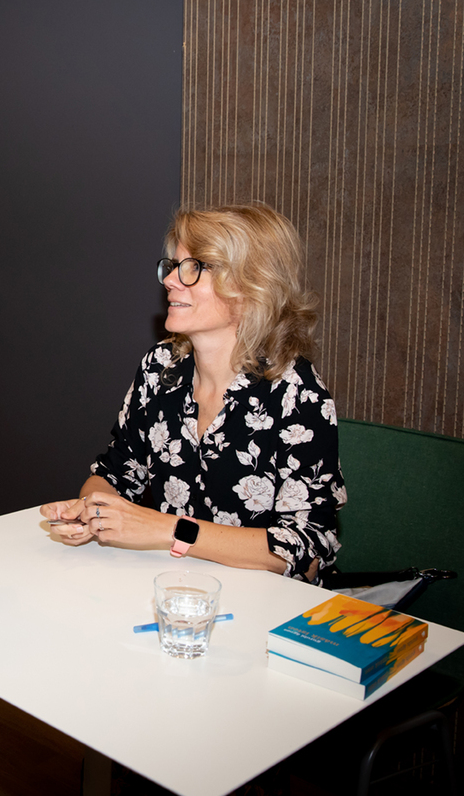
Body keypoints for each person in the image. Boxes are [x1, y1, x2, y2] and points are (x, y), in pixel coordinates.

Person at [41, 203, 344, 583]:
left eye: (193, 268)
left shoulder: (298, 394)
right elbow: (116, 473)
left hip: (268, 608)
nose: (170, 281)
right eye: (172, 267)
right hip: (175, 584)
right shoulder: (160, 368)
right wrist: (93, 512)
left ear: (251, 285)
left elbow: (304, 547)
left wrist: (169, 529)